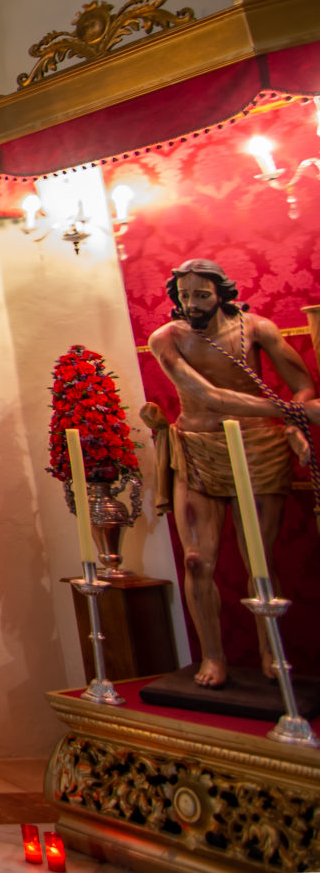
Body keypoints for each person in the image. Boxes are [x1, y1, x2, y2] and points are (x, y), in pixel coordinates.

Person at [147, 258, 315, 688]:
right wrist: (297, 412)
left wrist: (295, 423)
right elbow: (209, 395)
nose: (191, 303)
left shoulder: (257, 329)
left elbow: (302, 382)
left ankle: (269, 652)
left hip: (258, 446)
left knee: (258, 556)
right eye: (184, 295)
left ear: (221, 293)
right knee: (196, 560)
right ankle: (213, 657)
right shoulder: (166, 338)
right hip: (199, 448)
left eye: (201, 295)